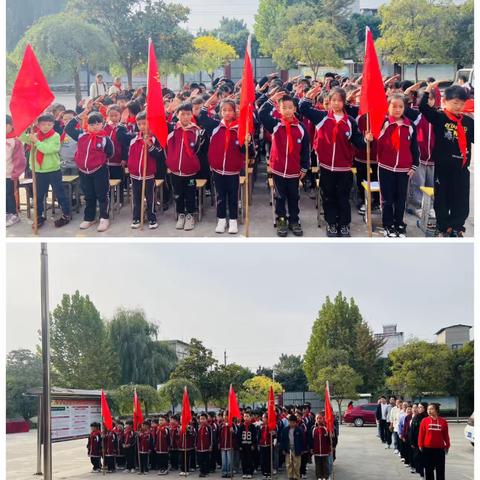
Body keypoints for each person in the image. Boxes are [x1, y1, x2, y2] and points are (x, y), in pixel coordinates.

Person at [299, 86, 367, 237]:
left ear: (344, 102)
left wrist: (366, 140)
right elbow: (303, 108)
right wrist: (309, 96)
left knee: (343, 197)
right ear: (329, 102)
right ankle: (331, 224)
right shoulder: (322, 117)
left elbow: (359, 143)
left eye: (339, 101)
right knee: (328, 197)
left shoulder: (349, 121)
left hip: (344, 168)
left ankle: (344, 224)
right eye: (333, 100)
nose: (336, 103)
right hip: (326, 167)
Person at [420, 83, 474, 237]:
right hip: (443, 168)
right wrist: (427, 90)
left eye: (462, 104)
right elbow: (423, 108)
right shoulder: (440, 117)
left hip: (462, 168)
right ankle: (444, 227)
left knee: (461, 199)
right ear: (445, 101)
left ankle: (457, 227)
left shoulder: (468, 122)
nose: (459, 107)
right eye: (455, 103)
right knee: (442, 198)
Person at [259, 91, 310, 237]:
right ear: (279, 110)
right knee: (280, 197)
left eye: (290, 107)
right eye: (284, 108)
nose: (287, 110)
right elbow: (262, 114)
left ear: (294, 109)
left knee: (294, 196)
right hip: (279, 169)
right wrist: (271, 99)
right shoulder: (276, 125)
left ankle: (294, 220)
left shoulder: (301, 128)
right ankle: (281, 220)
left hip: (294, 170)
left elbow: (306, 150)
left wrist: (304, 167)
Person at [198, 95, 248, 235]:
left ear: (234, 112)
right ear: (220, 112)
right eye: (224, 110)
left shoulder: (240, 128)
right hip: (217, 169)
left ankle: (233, 220)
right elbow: (201, 116)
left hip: (233, 170)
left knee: (233, 196)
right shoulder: (214, 126)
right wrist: (208, 103)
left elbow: (246, 151)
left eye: (230, 110)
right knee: (220, 196)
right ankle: (221, 220)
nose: (227, 113)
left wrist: (247, 142)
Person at [376, 94, 419, 237]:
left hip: (404, 170)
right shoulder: (384, 123)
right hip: (385, 167)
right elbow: (374, 141)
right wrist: (369, 138)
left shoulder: (410, 125)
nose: (397, 109)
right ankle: (388, 225)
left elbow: (414, 148)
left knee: (401, 199)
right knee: (387, 199)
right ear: (388, 107)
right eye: (394, 106)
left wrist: (414, 166)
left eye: (400, 106)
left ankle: (399, 223)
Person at [66, 111, 114, 232]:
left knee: (102, 195)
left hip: (99, 170)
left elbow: (110, 153)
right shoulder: (82, 135)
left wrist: (99, 161)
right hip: (83, 171)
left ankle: (104, 217)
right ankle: (89, 218)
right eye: (92, 124)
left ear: (102, 124)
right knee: (88, 195)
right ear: (87, 125)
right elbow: (68, 128)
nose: (95, 126)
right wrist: (79, 116)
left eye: (98, 124)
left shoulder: (105, 139)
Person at [22, 114, 71, 229]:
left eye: (49, 124)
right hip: (39, 172)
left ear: (53, 125)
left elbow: (48, 150)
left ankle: (66, 214)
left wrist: (36, 142)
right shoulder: (34, 135)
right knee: (38, 196)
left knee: (60, 194)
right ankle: (39, 216)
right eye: (43, 124)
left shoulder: (55, 136)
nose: (46, 127)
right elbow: (20, 136)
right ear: (38, 125)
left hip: (53, 171)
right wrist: (26, 124)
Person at [165, 102, 201, 232]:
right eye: (182, 114)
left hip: (190, 172)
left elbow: (198, 150)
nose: (185, 117)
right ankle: (181, 214)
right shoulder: (172, 130)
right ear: (177, 115)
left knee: (190, 194)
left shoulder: (196, 131)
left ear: (192, 115)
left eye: (188, 114)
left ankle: (190, 215)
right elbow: (160, 125)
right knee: (178, 194)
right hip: (175, 171)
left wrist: (191, 162)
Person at [128, 111, 164, 229]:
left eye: (144, 123)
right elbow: (130, 155)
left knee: (150, 198)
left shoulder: (154, 139)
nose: (142, 126)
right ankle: (137, 217)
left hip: (148, 175)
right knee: (136, 198)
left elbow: (159, 155)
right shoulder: (134, 139)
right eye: (139, 124)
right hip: (135, 175)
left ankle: (152, 218)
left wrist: (149, 144)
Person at [104, 105, 130, 207]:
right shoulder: (104, 127)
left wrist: (124, 158)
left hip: (118, 160)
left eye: (116, 115)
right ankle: (110, 199)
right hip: (106, 161)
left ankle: (119, 200)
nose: (114, 118)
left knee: (118, 180)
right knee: (107, 181)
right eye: (111, 115)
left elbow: (125, 145)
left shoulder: (122, 128)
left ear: (120, 115)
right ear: (108, 116)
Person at [418, 403, 450, 480]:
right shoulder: (424, 421)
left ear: (436, 410)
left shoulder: (443, 421)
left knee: (440, 469)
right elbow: (421, 434)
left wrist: (447, 445)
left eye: (431, 409)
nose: (429, 411)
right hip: (427, 449)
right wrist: (420, 445)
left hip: (439, 449)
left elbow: (446, 435)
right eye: (428, 409)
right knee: (428, 469)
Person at [6, 114, 26, 227]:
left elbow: (20, 159)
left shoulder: (15, 141)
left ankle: (13, 214)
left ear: (11, 126)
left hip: (10, 174)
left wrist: (16, 173)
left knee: (10, 195)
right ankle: (5, 214)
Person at [280, 414, 304, 480]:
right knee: (289, 464)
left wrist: (302, 450)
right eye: (290, 422)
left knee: (297, 465)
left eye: (293, 422)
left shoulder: (299, 430)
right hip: (288, 449)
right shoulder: (285, 430)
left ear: (296, 422)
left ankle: (296, 477)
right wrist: (283, 449)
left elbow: (302, 440)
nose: (292, 424)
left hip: (297, 449)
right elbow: (282, 440)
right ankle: (290, 477)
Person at [410, 402, 428, 476]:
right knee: (417, 457)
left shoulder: (428, 417)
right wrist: (412, 442)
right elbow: (412, 431)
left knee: (426, 458)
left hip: (427, 441)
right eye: (418, 407)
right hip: (417, 441)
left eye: (421, 407)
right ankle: (421, 473)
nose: (419, 409)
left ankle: (425, 472)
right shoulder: (416, 417)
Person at [237, 411, 257, 479]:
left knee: (250, 460)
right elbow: (238, 437)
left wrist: (253, 445)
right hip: (243, 446)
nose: (246, 418)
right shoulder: (241, 426)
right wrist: (239, 445)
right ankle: (244, 472)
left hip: (250, 446)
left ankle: (250, 472)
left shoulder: (253, 426)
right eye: (245, 416)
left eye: (247, 416)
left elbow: (254, 437)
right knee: (243, 460)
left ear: (250, 417)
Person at [310, 414, 330, 480]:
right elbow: (311, 440)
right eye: (317, 418)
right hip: (317, 451)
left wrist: (330, 448)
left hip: (325, 451)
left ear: (323, 419)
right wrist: (311, 448)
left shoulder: (326, 428)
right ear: (315, 419)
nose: (319, 420)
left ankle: (325, 476)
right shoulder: (313, 429)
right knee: (318, 465)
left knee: (325, 465)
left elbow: (329, 440)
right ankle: (319, 476)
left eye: (320, 418)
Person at [258, 413, 275, 479]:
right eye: (262, 418)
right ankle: (264, 472)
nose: (263, 419)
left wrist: (273, 443)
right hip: (262, 445)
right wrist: (259, 443)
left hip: (269, 445)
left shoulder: (271, 426)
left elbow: (275, 436)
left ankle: (269, 472)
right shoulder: (261, 426)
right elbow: (259, 436)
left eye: (264, 418)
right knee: (263, 460)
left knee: (269, 460)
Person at [196, 413, 213, 477]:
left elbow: (211, 437)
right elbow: (196, 437)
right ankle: (201, 471)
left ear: (206, 419)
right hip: (199, 447)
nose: (202, 420)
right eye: (201, 419)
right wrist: (195, 445)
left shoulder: (209, 427)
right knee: (200, 460)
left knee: (206, 460)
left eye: (203, 419)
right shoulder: (198, 427)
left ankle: (206, 471)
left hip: (206, 447)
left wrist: (210, 445)